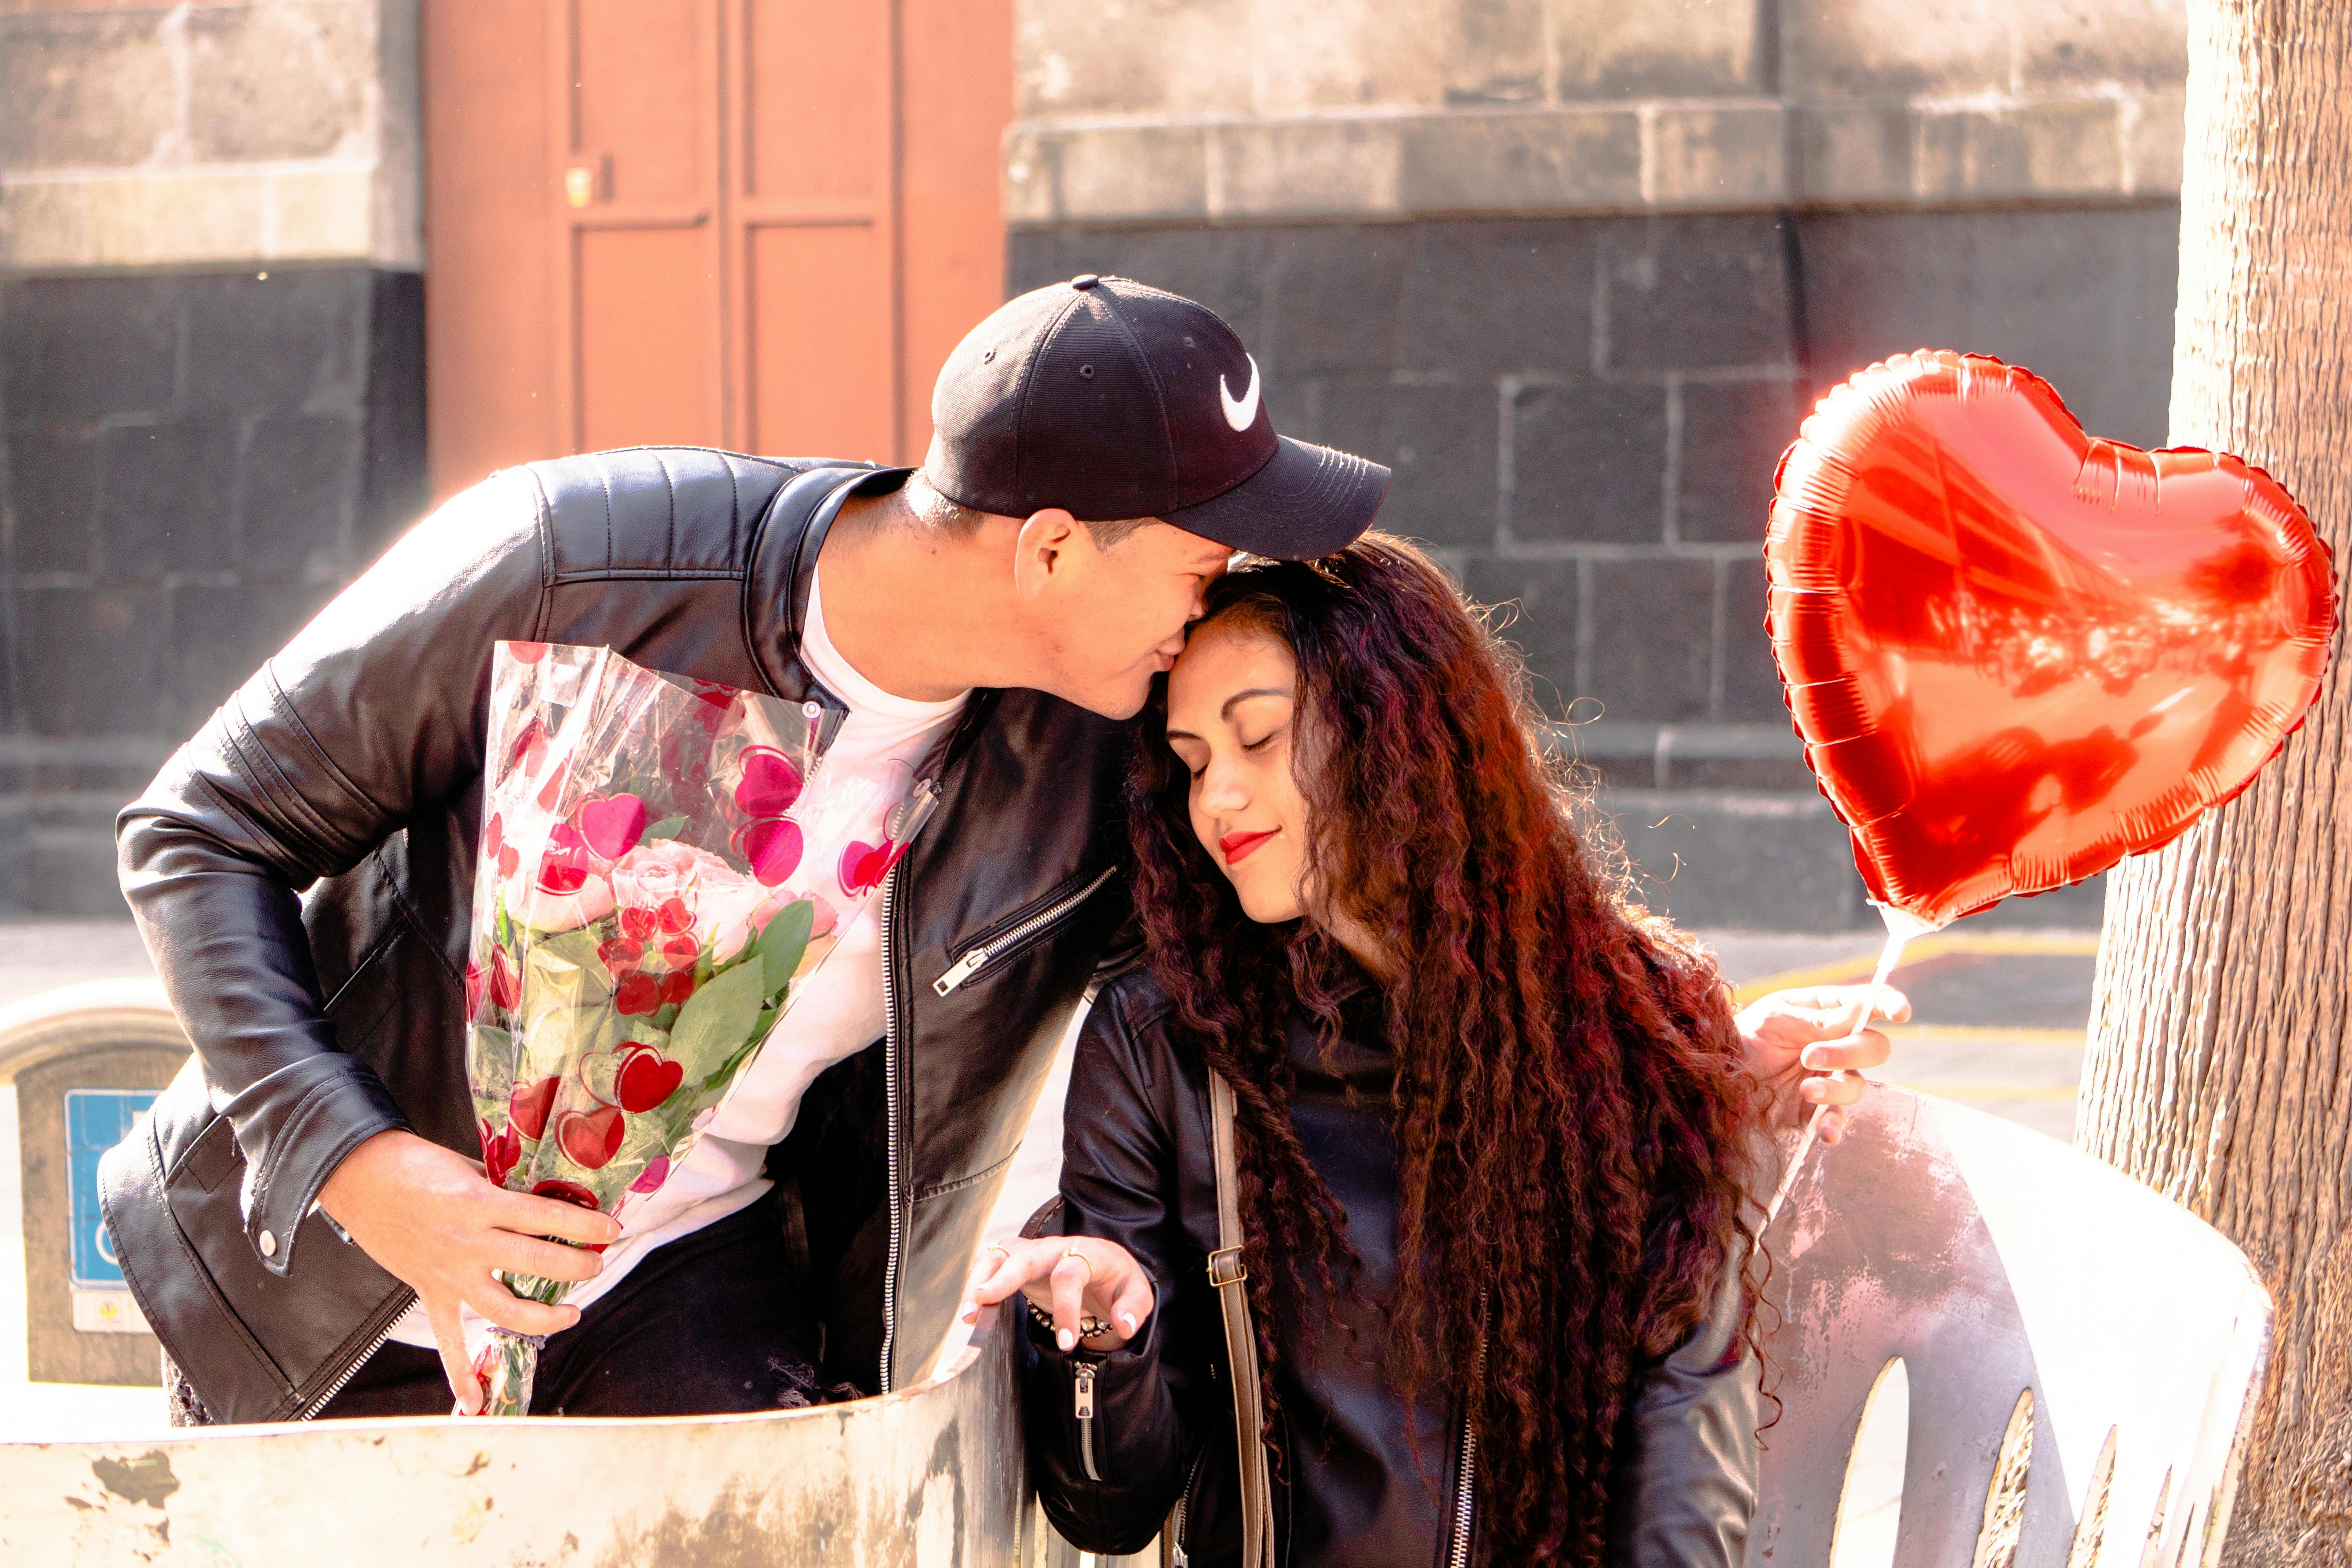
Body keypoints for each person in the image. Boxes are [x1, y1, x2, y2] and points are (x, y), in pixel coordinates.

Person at [104, 273, 1894, 1426]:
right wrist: (354, 1161)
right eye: (1199, 549)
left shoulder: (1095, 740)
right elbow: (198, 827)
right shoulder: (571, 559)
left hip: (688, 1292)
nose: (1218, 592)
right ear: (1048, 548)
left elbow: (1374, 898)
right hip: (327, 1292)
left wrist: (1681, 1035)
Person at [965, 538, 1907, 1566]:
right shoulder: (1162, 1049)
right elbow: (1109, 1510)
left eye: (1259, 738)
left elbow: (1681, 1477)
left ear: (1394, 731)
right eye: (1192, 763)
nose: (1217, 798)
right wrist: (1107, 1338)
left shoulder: (1626, 1041)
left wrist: (1708, 1077)